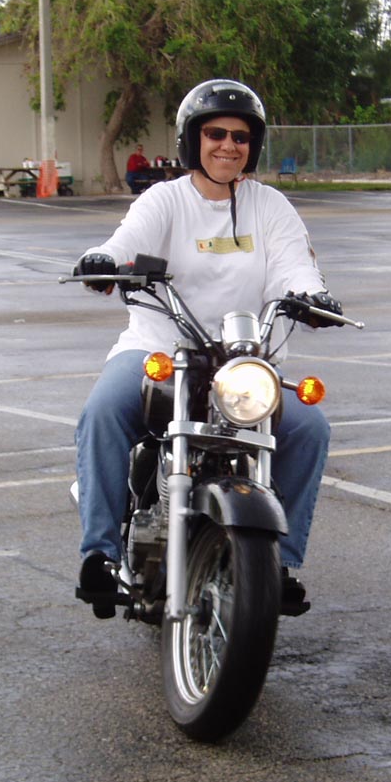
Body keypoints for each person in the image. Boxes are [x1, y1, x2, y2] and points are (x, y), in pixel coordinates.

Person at [71, 78, 344, 619]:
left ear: (253, 145)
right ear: (192, 139)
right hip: (161, 351)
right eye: (216, 133)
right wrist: (104, 261)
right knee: (104, 410)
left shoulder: (269, 206)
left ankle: (279, 564)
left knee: (308, 428)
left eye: (240, 137)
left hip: (243, 362)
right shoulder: (166, 199)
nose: (228, 145)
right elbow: (126, 241)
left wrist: (311, 295)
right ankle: (99, 555)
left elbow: (295, 263)